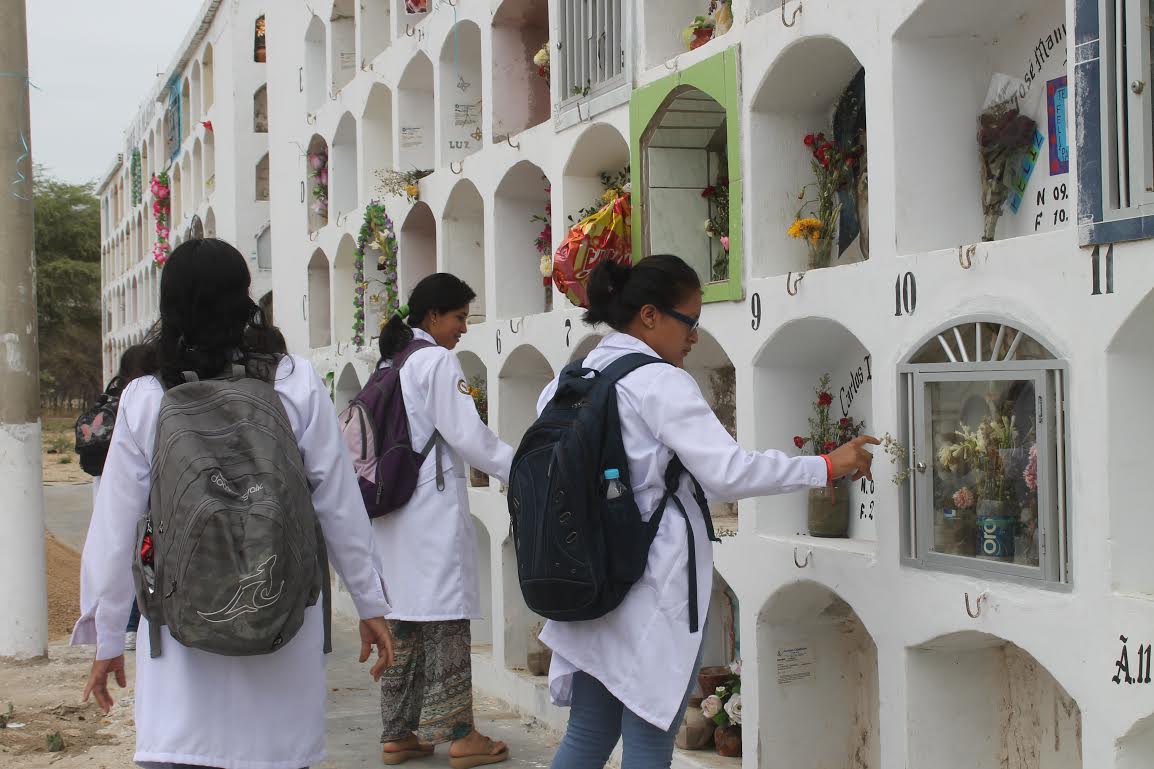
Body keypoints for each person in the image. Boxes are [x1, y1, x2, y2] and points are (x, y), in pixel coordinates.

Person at [538, 255, 878, 769]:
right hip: (650, 587)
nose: (694, 336)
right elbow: (728, 473)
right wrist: (826, 466)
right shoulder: (660, 382)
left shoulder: (568, 380)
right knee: (650, 743)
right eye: (690, 322)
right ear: (650, 316)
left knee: (587, 735)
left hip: (585, 579)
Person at [72, 238, 396, 769]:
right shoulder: (295, 381)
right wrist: (370, 603)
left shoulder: (147, 394)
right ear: (245, 296)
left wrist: (109, 636)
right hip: (283, 627)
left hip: (183, 641)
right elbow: (338, 504)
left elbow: (116, 527)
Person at [371, 274, 515, 768]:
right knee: (447, 617)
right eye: (459, 318)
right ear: (433, 316)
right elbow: (468, 436)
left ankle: (398, 733)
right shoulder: (435, 360)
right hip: (428, 510)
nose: (463, 329)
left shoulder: (392, 359)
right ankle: (459, 734)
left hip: (392, 512)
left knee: (405, 619)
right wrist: (524, 467)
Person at [83, 344, 156, 652]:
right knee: (142, 555)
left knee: (125, 553)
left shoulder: (110, 400)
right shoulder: (144, 397)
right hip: (142, 498)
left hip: (108, 489)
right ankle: (132, 623)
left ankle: (127, 625)